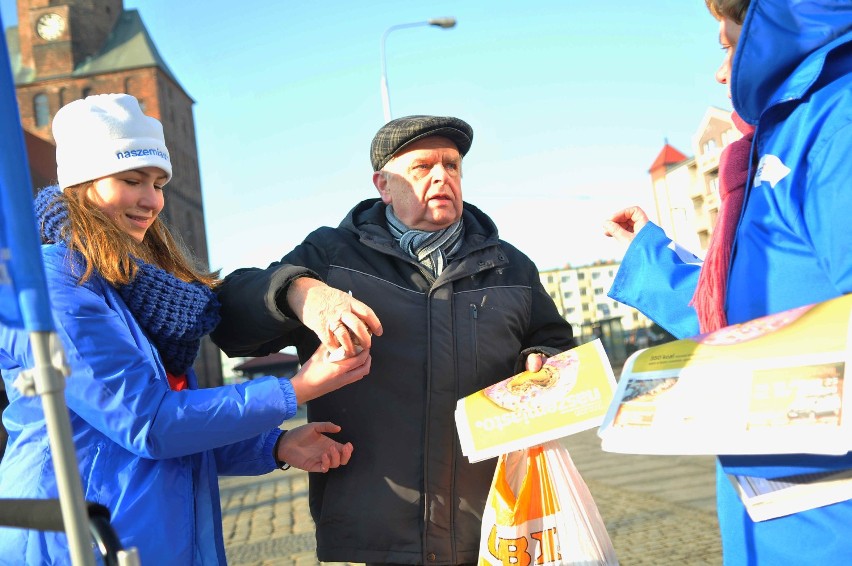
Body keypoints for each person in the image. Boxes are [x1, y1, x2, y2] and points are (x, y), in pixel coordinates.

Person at [0, 93, 373, 565]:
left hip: (152, 535)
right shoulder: (56, 283)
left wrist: (276, 444)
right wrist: (295, 389)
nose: (151, 200)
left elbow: (178, 438)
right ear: (81, 183)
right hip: (77, 540)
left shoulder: (132, 283)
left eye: (158, 183)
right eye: (131, 180)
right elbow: (148, 424)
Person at [211, 115, 576, 564]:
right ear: (383, 185)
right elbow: (230, 319)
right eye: (423, 167)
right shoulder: (331, 256)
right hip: (384, 521)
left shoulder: (511, 265)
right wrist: (299, 291)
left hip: (497, 516)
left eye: (453, 165)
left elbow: (554, 338)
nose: (443, 176)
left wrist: (544, 356)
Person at [603, 1, 852, 563]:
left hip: (826, 510)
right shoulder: (784, 133)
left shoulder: (836, 119)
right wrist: (651, 258)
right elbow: (751, 320)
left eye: (728, 43)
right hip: (779, 506)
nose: (721, 73)